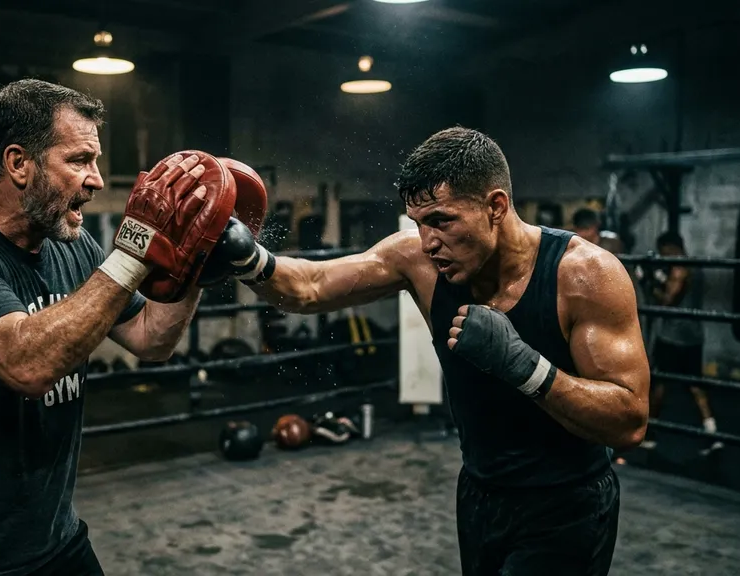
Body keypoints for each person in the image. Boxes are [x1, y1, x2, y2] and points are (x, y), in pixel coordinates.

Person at [203, 127, 650, 575]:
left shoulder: (583, 275)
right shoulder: (417, 258)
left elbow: (629, 419)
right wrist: (247, 257)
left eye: (441, 220)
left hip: (567, 504)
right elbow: (311, 287)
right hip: (479, 495)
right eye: (418, 223)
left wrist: (526, 367)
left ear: (496, 207)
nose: (428, 241)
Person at [0, 79, 216, 575]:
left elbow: (150, 339)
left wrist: (196, 264)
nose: (95, 180)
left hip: (52, 540)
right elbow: (27, 364)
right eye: (79, 161)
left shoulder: (73, 246)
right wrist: (136, 247)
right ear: (18, 163)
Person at [642, 231, 720, 453]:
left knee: (660, 383)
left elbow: (668, 301)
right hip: (694, 334)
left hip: (673, 336)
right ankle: (712, 433)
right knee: (696, 385)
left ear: (669, 248)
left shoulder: (678, 268)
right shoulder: (696, 265)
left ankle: (650, 434)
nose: (662, 255)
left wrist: (652, 283)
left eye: (662, 251)